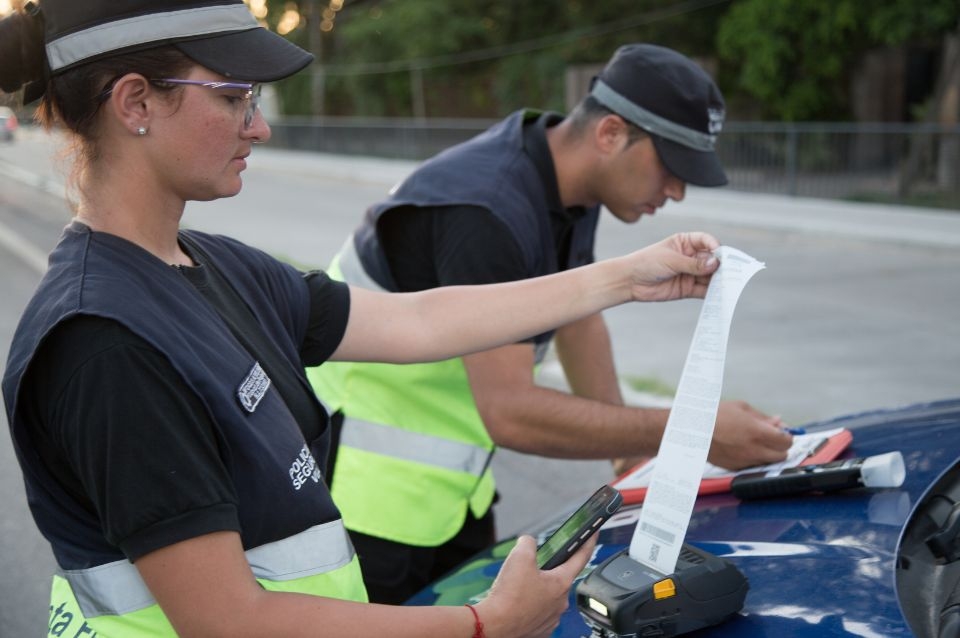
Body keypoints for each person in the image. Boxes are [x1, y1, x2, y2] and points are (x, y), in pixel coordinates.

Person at [0, 3, 730, 636]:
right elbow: (228, 622)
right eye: (233, 97)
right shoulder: (105, 342)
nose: (259, 128)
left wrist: (628, 278)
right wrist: (485, 625)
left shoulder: (216, 264)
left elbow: (418, 323)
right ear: (136, 104)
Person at [307, 43, 796, 603]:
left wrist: (630, 463)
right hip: (367, 503)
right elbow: (511, 412)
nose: (678, 191)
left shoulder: (566, 186)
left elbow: (578, 322)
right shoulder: (486, 211)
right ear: (610, 134)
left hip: (450, 495)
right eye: (672, 165)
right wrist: (688, 429)